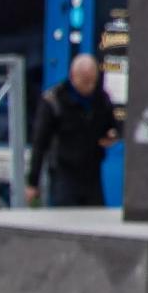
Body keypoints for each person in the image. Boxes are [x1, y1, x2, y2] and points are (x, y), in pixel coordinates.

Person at [30, 54, 119, 208]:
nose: (89, 87)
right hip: (64, 170)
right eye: (85, 82)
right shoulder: (54, 101)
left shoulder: (101, 99)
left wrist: (112, 135)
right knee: (66, 214)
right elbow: (40, 142)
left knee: (96, 216)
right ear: (73, 76)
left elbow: (113, 125)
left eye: (93, 81)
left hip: (92, 170)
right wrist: (33, 182)